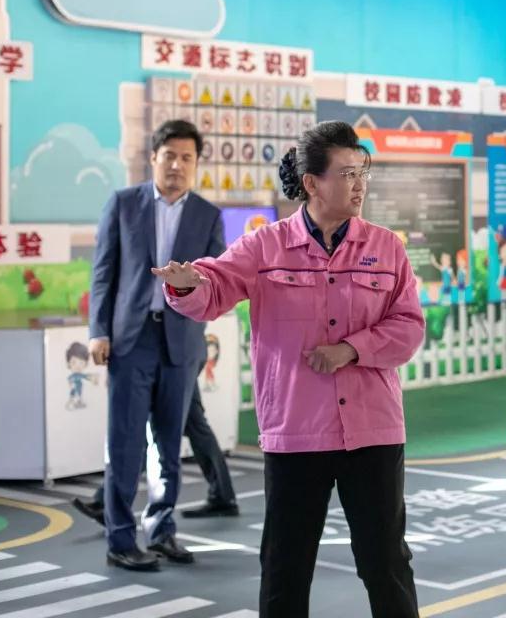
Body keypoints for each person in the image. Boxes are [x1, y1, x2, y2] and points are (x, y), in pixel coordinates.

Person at [156, 120, 424, 617]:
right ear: (311, 182)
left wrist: (351, 349)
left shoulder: (387, 247)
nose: (359, 184)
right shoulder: (266, 246)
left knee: (385, 562)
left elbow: (408, 326)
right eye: (347, 173)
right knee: (285, 568)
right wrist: (187, 283)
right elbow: (215, 286)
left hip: (373, 431)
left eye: (362, 172)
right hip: (296, 432)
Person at [89, 119, 225, 571]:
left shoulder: (208, 215)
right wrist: (98, 331)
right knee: (125, 443)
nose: (177, 165)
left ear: (196, 164)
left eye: (187, 158)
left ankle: (162, 530)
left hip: (181, 343)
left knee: (168, 445)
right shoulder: (123, 204)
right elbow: (103, 273)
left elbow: (216, 281)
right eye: (169, 156)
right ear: (153, 158)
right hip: (131, 341)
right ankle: (120, 538)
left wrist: (193, 287)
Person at [71, 381, 240, 527]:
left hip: (170, 365)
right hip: (178, 364)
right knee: (194, 429)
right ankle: (223, 496)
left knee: (158, 433)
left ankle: (109, 503)